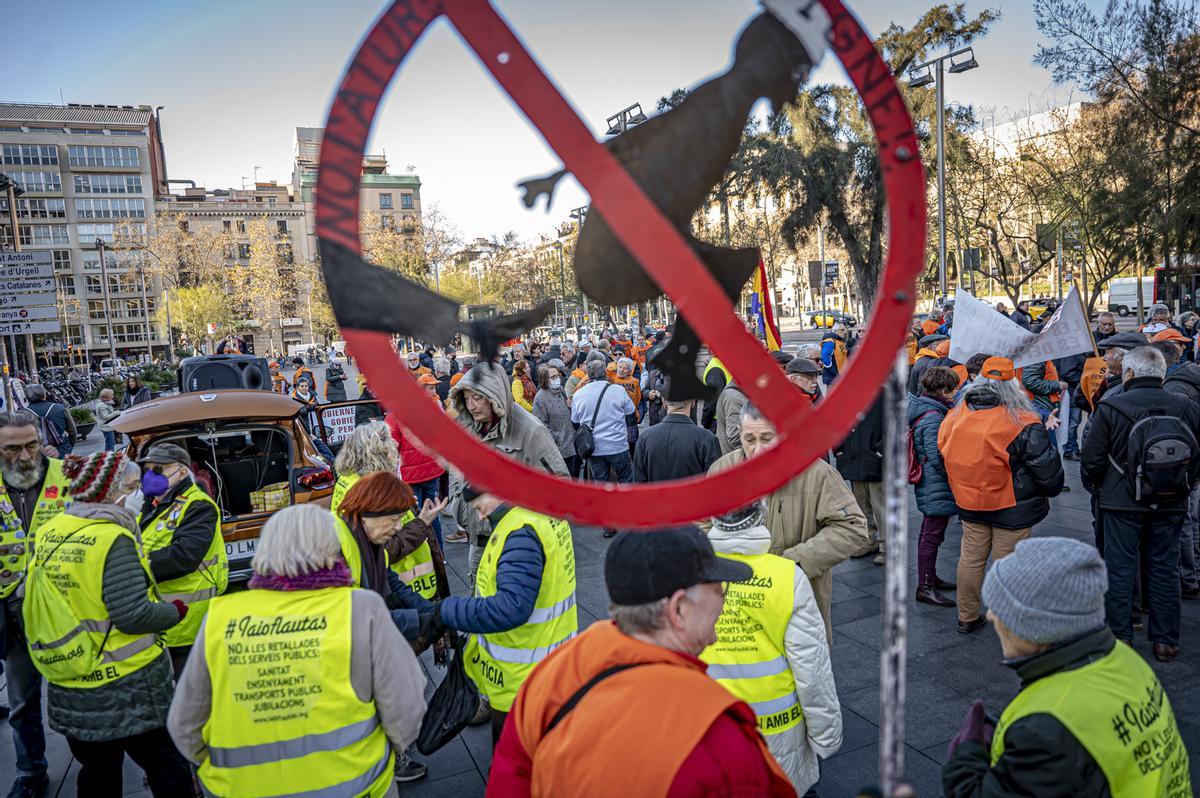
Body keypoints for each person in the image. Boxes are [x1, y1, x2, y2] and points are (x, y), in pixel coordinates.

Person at [488, 526, 794, 796]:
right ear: (679, 611)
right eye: (719, 590)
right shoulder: (720, 745)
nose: (724, 602)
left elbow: (511, 777)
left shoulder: (549, 676)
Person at [168, 504, 427, 798]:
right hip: (354, 785)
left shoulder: (221, 617)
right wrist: (386, 751)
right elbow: (407, 707)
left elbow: (184, 725)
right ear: (331, 551)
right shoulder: (359, 608)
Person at [942, 537, 1190, 797]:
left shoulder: (1047, 729)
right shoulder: (1122, 658)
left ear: (1037, 626)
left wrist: (966, 757)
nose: (991, 616)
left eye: (1002, 609)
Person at [22, 451, 192, 796]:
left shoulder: (51, 530)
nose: (138, 492)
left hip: (70, 676)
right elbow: (133, 615)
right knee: (167, 769)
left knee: (98, 773)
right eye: (131, 486)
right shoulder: (112, 539)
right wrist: (174, 611)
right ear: (109, 492)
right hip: (127, 684)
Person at [703, 502, 842, 793]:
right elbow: (811, 668)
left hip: (711, 723)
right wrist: (825, 735)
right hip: (777, 727)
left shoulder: (691, 575)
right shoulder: (787, 576)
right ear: (760, 516)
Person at [1080, 346, 1200, 661]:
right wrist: (1185, 485)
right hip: (1171, 500)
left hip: (1121, 501)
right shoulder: (1186, 406)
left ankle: (1120, 637)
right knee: (1164, 567)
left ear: (1129, 373)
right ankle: (1165, 641)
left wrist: (1097, 487)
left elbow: (1091, 458)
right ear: (1162, 373)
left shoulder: (1112, 406)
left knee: (1120, 568)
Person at [711, 403, 869, 640]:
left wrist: (792, 563)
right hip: (736, 605)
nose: (757, 450)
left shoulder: (816, 473)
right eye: (749, 439)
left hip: (796, 601)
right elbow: (702, 523)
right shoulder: (722, 470)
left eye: (767, 438)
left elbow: (853, 527)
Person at [440, 487, 577, 746]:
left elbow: (512, 607)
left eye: (480, 508)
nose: (480, 518)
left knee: (512, 769)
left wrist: (449, 611)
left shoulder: (519, 531)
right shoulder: (541, 511)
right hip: (552, 665)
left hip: (522, 681)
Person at [938, 357, 1065, 634]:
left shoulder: (955, 416)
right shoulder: (1023, 420)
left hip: (969, 501)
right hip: (1011, 505)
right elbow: (1047, 470)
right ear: (1014, 385)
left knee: (970, 559)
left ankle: (967, 614)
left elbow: (942, 454)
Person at [0, 411, 72, 798]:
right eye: (12, 449)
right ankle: (31, 772)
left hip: (67, 609)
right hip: (11, 613)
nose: (25, 455)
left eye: (31, 445)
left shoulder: (69, 475)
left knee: (77, 688)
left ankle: (95, 755)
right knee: (22, 701)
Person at [136, 443, 226, 676]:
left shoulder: (198, 505)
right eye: (147, 470)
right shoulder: (154, 504)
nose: (150, 476)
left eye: (159, 469)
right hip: (161, 621)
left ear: (182, 472)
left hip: (187, 624)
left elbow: (183, 557)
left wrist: (133, 566)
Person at [909, 366, 960, 607]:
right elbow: (938, 456)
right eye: (952, 390)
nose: (954, 394)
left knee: (930, 533)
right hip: (935, 483)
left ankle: (930, 577)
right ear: (941, 390)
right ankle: (925, 586)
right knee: (931, 534)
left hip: (931, 482)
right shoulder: (932, 417)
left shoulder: (930, 409)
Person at [835, 394, 886, 565]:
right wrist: (839, 449)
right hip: (854, 457)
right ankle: (868, 540)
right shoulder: (846, 395)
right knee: (861, 504)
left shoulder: (884, 394)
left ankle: (887, 546)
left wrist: (880, 451)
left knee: (880, 507)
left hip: (872, 458)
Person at [571, 359, 636, 485]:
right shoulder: (618, 390)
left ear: (588, 375)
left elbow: (575, 422)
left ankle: (605, 504)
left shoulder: (578, 395)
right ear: (605, 372)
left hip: (595, 448)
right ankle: (627, 504)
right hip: (618, 445)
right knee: (626, 480)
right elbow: (631, 415)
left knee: (601, 485)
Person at [633, 393, 720, 482]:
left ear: (664, 402)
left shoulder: (645, 438)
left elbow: (639, 483)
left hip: (656, 496)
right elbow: (715, 484)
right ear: (693, 403)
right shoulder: (707, 439)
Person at [332, 421, 398, 516]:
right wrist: (421, 521)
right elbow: (392, 528)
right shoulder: (376, 490)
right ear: (380, 454)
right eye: (390, 442)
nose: (395, 444)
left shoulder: (346, 477)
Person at [532, 362, 578, 478]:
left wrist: (571, 406)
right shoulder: (540, 398)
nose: (557, 379)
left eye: (558, 375)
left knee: (575, 478)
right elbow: (540, 425)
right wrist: (557, 439)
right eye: (553, 377)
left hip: (572, 444)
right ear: (544, 379)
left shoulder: (561, 390)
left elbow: (567, 412)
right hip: (558, 449)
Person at [26, 384, 77, 457]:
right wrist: (71, 444)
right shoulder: (60, 409)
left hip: (38, 453)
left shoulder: (23, 414)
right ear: (44, 395)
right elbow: (72, 430)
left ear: (28, 398)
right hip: (62, 448)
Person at [701, 355, 731, 431]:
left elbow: (711, 402)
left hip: (717, 422)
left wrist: (705, 422)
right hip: (726, 417)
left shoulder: (715, 370)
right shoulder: (725, 363)